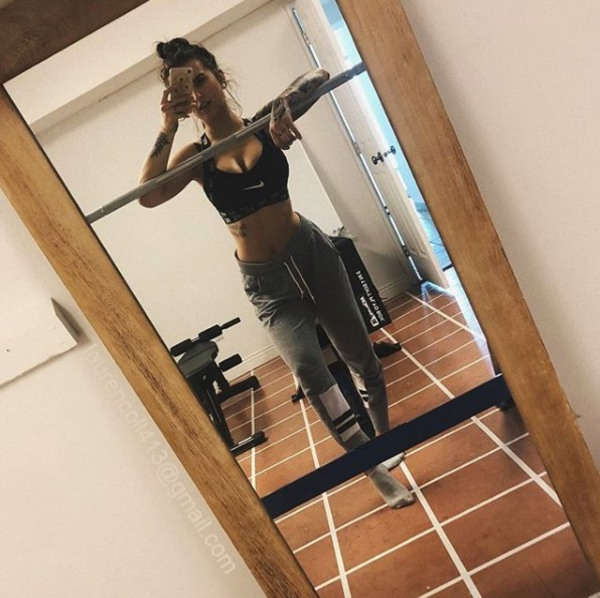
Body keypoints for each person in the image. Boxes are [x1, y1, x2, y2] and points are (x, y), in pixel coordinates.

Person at [139, 38, 414, 509]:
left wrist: (283, 105)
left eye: (201, 79)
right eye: (185, 88)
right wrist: (167, 125)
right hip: (267, 283)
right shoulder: (195, 158)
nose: (197, 94)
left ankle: (384, 441)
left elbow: (319, 77)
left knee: (360, 355)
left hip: (311, 254)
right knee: (308, 368)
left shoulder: (265, 124)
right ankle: (371, 467)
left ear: (219, 77)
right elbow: (148, 194)